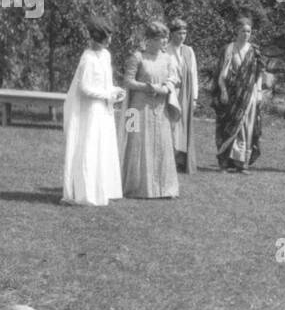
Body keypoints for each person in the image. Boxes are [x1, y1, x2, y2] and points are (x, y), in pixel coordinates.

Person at [62, 16, 127, 206]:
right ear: (98, 38)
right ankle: (86, 192)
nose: (110, 41)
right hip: (90, 110)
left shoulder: (106, 56)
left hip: (103, 109)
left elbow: (104, 82)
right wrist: (108, 94)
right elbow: (85, 88)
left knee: (102, 146)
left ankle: (102, 188)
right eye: (107, 37)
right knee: (90, 145)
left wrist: (114, 90)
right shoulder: (88, 58)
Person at [121, 20, 181, 199]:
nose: (164, 42)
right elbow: (127, 81)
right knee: (136, 145)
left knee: (162, 145)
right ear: (150, 39)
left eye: (165, 38)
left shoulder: (167, 58)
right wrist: (146, 87)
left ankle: (164, 188)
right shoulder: (138, 57)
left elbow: (173, 79)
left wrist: (162, 89)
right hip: (137, 109)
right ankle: (135, 188)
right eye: (160, 38)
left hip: (160, 107)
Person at [214, 14, 265, 174]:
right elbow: (220, 74)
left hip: (248, 95)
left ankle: (242, 163)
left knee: (246, 128)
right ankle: (225, 162)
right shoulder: (228, 49)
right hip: (230, 95)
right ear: (237, 31)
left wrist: (259, 92)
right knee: (227, 127)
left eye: (249, 31)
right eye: (243, 31)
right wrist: (222, 91)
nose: (246, 34)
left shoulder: (254, 51)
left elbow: (259, 74)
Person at [165, 18, 199, 174]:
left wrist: (194, 97)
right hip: (171, 92)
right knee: (171, 124)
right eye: (179, 33)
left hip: (185, 93)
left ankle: (180, 159)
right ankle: (168, 157)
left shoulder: (189, 51)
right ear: (172, 34)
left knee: (183, 125)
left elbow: (193, 74)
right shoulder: (165, 50)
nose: (182, 36)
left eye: (184, 33)